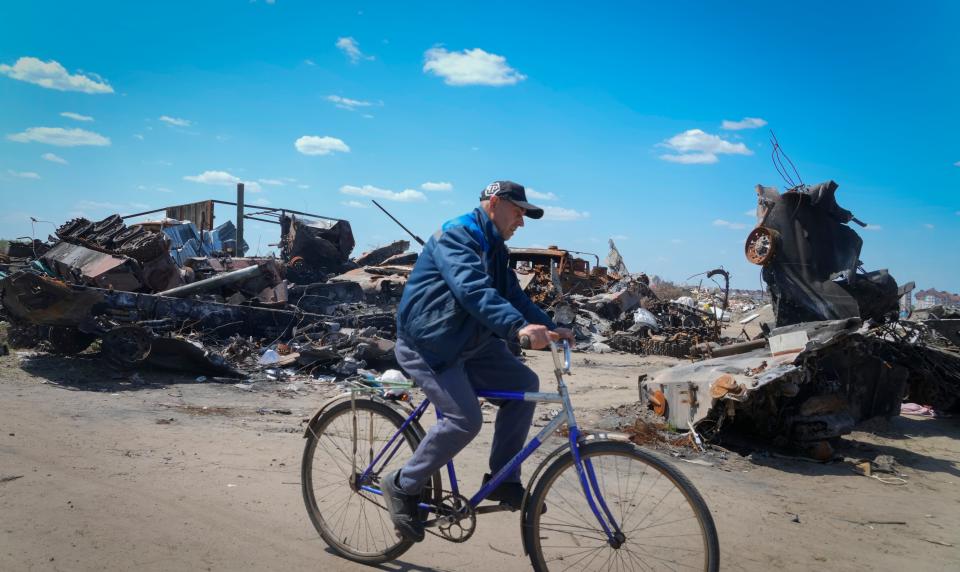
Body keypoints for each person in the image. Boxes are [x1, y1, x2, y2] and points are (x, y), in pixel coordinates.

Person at [382, 180, 573, 542]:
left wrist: (551, 327)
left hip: (470, 344)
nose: (522, 221)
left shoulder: (496, 248)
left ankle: (504, 479)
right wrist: (518, 328)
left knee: (524, 386)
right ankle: (403, 483)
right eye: (518, 211)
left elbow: (512, 295)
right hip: (431, 343)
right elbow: (472, 289)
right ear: (494, 203)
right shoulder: (457, 235)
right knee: (463, 419)